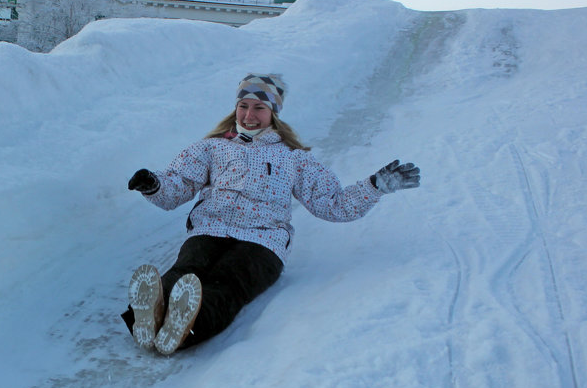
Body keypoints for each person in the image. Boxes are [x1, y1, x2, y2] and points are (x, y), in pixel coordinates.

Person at [122, 73, 420, 355]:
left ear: (273, 113)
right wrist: (155, 184)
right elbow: (180, 184)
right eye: (243, 106)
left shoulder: (293, 158)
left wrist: (375, 186)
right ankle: (146, 317)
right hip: (210, 228)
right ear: (235, 108)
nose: (249, 115)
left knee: (228, 281)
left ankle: (187, 328)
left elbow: (332, 203)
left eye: (259, 108)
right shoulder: (212, 148)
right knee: (187, 268)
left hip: (263, 242)